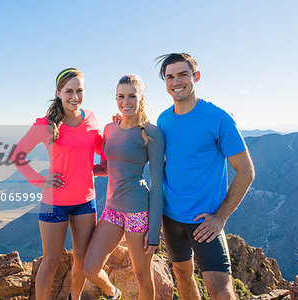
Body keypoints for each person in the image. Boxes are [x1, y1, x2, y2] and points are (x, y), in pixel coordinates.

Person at [155, 53, 255, 300]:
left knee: (221, 291)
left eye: (182, 74)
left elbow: (246, 171)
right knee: (182, 276)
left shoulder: (218, 118)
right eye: (170, 77)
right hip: (170, 217)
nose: (176, 81)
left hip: (204, 221)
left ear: (195, 77)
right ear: (165, 82)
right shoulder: (163, 119)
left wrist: (220, 217)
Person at [11, 68, 103, 300]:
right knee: (50, 261)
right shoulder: (46, 124)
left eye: (79, 91)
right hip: (55, 201)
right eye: (69, 91)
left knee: (81, 258)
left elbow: (104, 150)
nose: (75, 96)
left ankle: (75, 297)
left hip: (86, 199)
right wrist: (41, 180)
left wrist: (102, 168)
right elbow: (17, 155)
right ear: (58, 93)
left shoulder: (91, 118)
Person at [83, 74, 165, 300]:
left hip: (138, 211)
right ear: (115, 97)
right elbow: (105, 168)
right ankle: (113, 293)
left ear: (141, 98)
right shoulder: (110, 128)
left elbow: (157, 185)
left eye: (131, 96)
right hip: (112, 210)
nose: (125, 102)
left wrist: (154, 229)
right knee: (90, 269)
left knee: (142, 277)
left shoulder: (151, 133)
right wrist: (79, 170)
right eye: (121, 96)